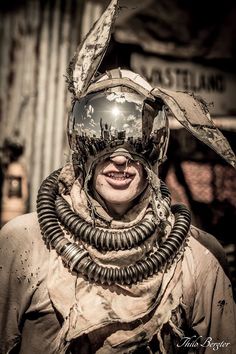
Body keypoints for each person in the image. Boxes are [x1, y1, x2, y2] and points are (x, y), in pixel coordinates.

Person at [0, 1, 236, 353]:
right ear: (81, 147)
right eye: (104, 140)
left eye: (138, 143)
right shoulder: (25, 244)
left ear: (155, 151)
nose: (122, 161)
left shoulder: (195, 257)